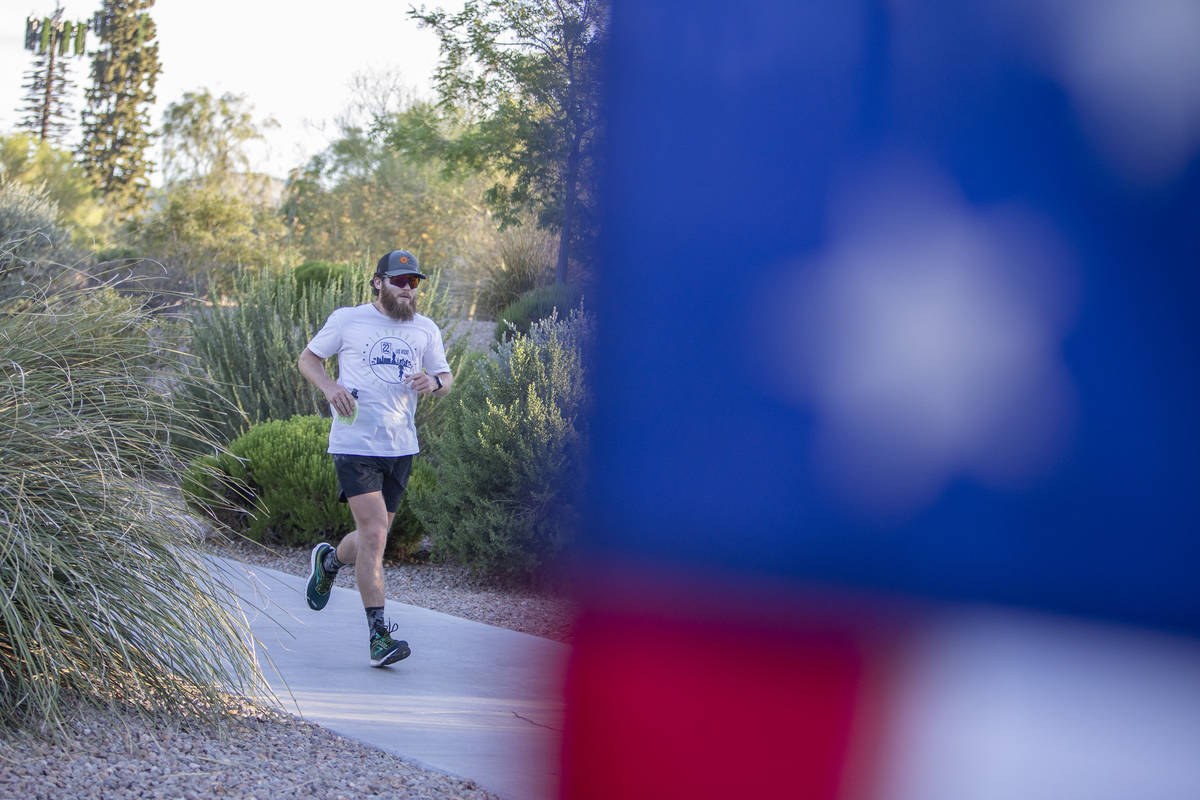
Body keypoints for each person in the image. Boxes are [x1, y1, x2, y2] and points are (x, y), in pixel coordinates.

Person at [297, 249, 453, 667]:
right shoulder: (348, 319)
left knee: (375, 535)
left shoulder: (425, 329)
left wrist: (433, 381)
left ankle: (329, 561)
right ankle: (379, 637)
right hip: (355, 444)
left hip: (401, 447)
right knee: (374, 535)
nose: (406, 289)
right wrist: (330, 387)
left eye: (413, 282)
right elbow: (308, 359)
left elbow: (446, 378)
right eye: (398, 281)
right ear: (377, 282)